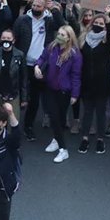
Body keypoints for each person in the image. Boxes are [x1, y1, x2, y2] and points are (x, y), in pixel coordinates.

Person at [14, 0, 65, 141]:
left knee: (35, 99)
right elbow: (14, 38)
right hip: (24, 64)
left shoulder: (49, 21)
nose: (36, 8)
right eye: (34, 5)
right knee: (18, 95)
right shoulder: (22, 20)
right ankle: (13, 124)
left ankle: (28, 126)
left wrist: (54, 10)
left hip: (41, 65)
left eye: (39, 6)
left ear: (44, 7)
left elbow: (62, 26)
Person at [33, 25, 81, 164]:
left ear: (69, 38)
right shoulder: (52, 47)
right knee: (53, 115)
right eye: (58, 33)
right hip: (50, 87)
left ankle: (56, 138)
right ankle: (62, 148)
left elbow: (76, 75)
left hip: (64, 90)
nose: (59, 36)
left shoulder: (75, 54)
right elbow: (41, 58)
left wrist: (75, 95)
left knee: (60, 118)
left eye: (63, 35)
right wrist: (37, 66)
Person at [78, 13, 110, 155]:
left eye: (101, 24)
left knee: (101, 113)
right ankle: (85, 138)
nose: (98, 25)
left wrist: (108, 20)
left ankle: (100, 139)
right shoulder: (84, 39)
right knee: (87, 112)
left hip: (102, 83)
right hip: (86, 81)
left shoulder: (107, 41)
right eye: (96, 23)